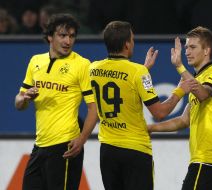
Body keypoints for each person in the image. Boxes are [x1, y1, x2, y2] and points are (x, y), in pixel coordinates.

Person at [89, 20, 195, 190]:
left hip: (108, 151)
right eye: (132, 39)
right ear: (126, 44)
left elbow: (120, 82)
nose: (133, 43)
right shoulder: (138, 72)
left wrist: (144, 69)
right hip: (135, 151)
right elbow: (160, 112)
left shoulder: (93, 69)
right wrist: (180, 90)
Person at [15, 13, 97, 190]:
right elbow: (19, 103)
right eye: (62, 35)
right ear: (50, 37)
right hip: (40, 145)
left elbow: (93, 108)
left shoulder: (82, 64)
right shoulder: (35, 61)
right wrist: (23, 98)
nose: (68, 41)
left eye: (72, 36)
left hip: (65, 146)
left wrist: (82, 140)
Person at [148, 26, 212, 190]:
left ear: (206, 50)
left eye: (192, 47)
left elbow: (203, 93)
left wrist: (179, 67)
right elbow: (183, 120)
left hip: (207, 159)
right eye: (186, 47)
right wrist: (150, 127)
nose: (187, 52)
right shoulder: (198, 78)